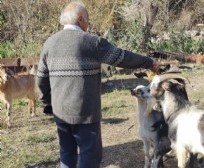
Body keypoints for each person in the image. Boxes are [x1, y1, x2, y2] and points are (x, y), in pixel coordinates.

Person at [36, 1, 158, 168]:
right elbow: (122, 58)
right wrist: (149, 62)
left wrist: (48, 104)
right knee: (89, 155)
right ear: (80, 19)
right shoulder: (92, 42)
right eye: (87, 19)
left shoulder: (49, 43)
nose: (88, 23)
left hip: (60, 113)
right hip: (86, 113)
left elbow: (41, 79)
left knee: (66, 154)